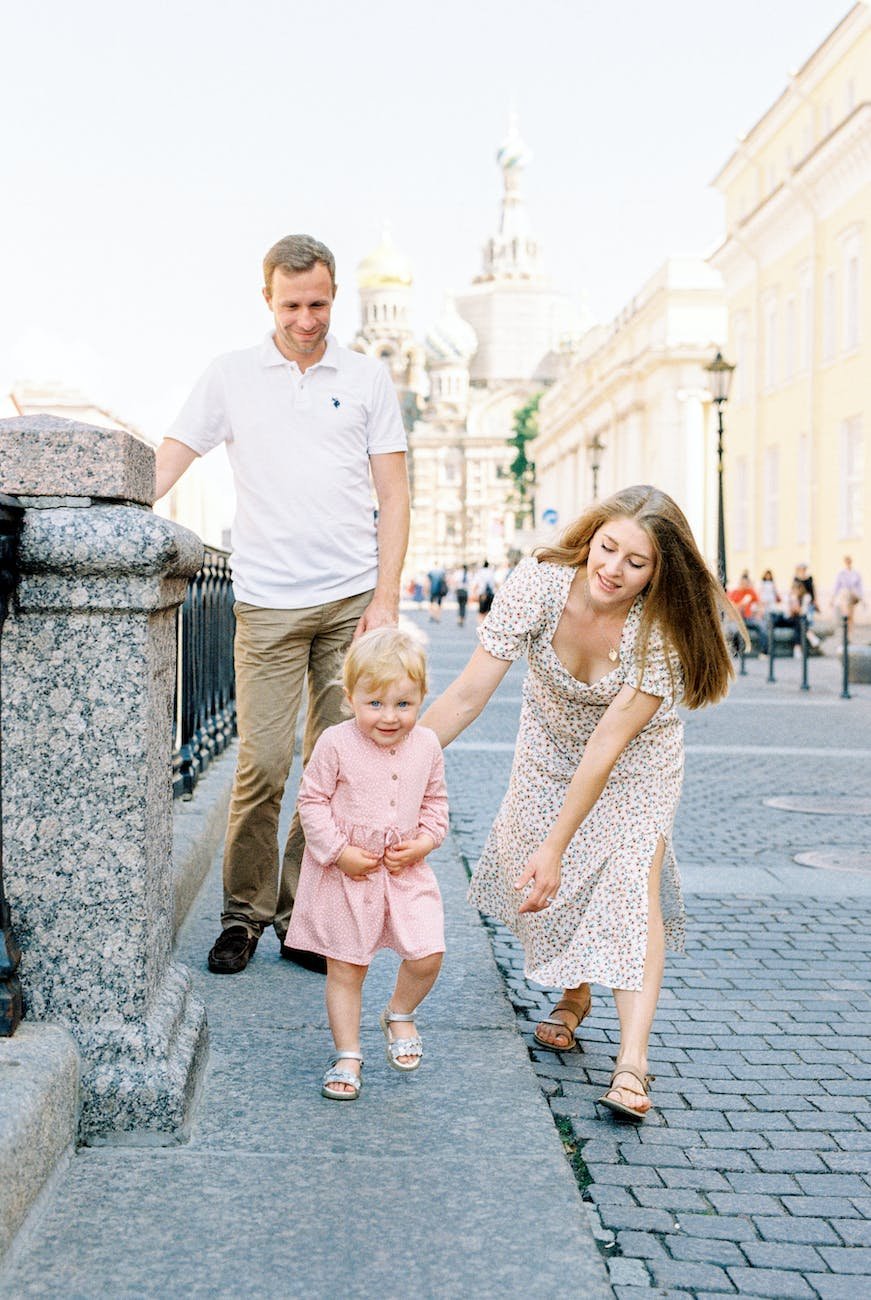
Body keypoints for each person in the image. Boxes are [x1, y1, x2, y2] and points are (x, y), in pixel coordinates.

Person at [421, 485, 740, 1121]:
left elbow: (608, 747)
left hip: (634, 764)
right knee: (559, 888)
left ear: (658, 574)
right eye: (608, 547)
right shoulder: (540, 585)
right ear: (591, 537)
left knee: (627, 882)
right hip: (548, 741)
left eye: (636, 562)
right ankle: (576, 995)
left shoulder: (662, 634)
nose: (613, 569)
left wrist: (556, 845)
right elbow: (465, 696)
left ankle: (632, 1061)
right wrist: (397, 767)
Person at [153, 234, 410, 976]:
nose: (307, 319)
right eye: (292, 305)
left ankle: (304, 916)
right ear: (267, 300)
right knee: (262, 765)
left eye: (320, 303)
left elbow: (392, 493)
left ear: (336, 297)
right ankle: (243, 914)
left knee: (334, 769)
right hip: (265, 600)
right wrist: (121, 510)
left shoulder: (365, 378)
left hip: (350, 602)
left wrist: (385, 598)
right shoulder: (230, 375)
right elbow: (173, 457)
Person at [285, 628, 448, 1100]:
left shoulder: (428, 746)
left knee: (427, 952)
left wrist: (424, 843)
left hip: (405, 869)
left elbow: (435, 804)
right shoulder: (335, 743)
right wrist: (339, 852)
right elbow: (312, 800)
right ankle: (348, 1053)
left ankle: (399, 1012)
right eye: (374, 703)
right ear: (350, 696)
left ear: (421, 696)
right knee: (347, 968)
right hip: (348, 873)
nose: (389, 717)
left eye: (403, 704)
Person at [727, 571, 768, 654]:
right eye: (743, 583)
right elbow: (730, 607)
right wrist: (741, 604)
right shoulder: (734, 593)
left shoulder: (751, 592)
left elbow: (759, 604)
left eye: (746, 583)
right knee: (734, 630)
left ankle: (763, 651)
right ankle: (736, 652)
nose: (745, 585)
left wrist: (759, 613)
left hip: (749, 618)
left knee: (762, 627)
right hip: (738, 619)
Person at [831, 555, 864, 637]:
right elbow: (837, 586)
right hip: (844, 597)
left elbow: (859, 587)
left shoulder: (856, 573)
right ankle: (847, 632)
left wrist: (862, 598)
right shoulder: (841, 573)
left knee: (850, 613)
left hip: (853, 597)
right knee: (847, 613)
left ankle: (850, 632)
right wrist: (832, 598)